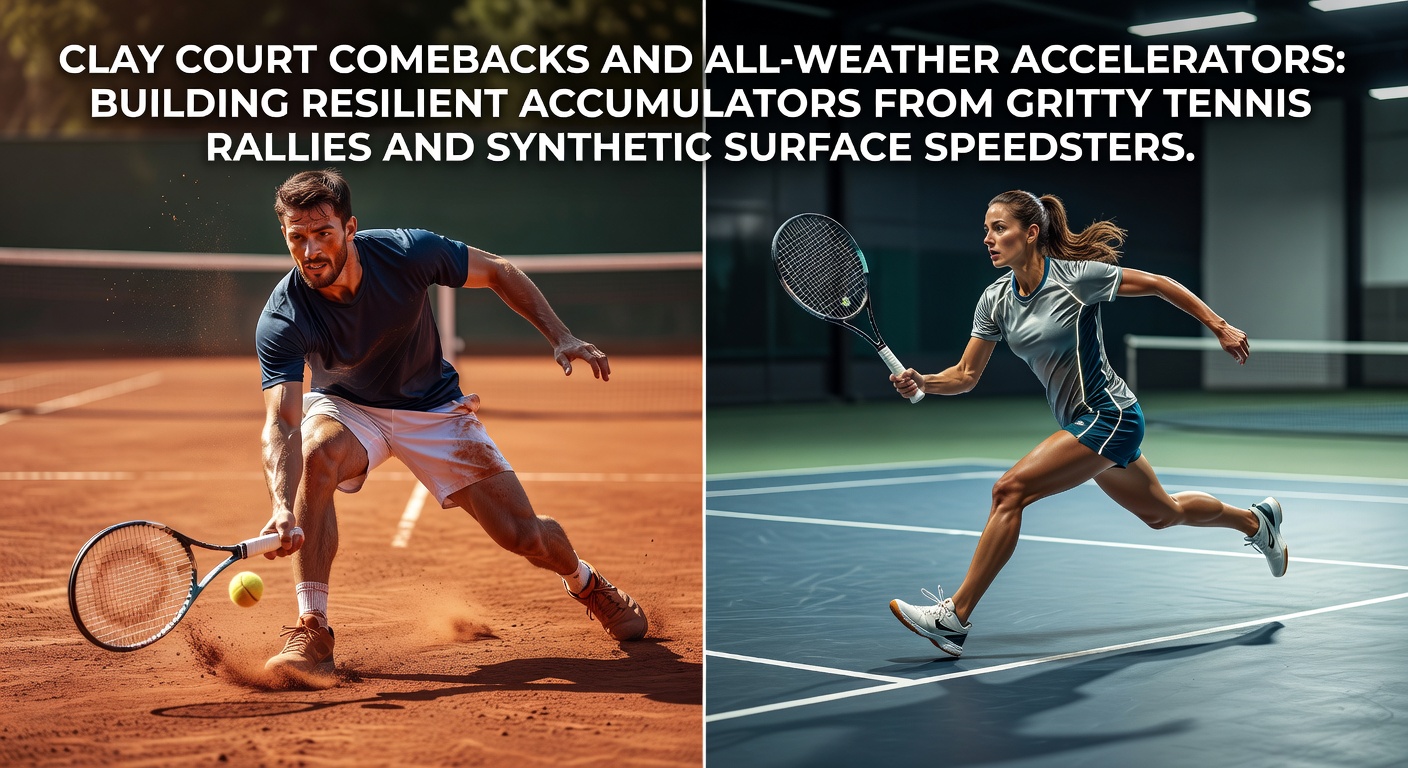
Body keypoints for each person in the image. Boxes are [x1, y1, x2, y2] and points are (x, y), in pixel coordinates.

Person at [255, 169, 648, 676]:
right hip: (350, 407)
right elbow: (282, 421)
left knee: (521, 534)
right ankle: (313, 627)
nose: (310, 251)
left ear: (350, 228)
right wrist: (281, 505)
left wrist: (561, 335)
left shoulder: (406, 253)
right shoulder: (284, 315)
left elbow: (499, 271)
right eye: (297, 238)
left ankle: (586, 582)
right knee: (316, 453)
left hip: (434, 407)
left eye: (323, 234)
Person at [886, 190, 1287, 658]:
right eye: (986, 230)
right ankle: (1256, 522)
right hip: (1083, 425)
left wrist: (1219, 326)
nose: (988, 239)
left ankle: (954, 616)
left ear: (1030, 233)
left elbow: (1158, 283)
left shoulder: (1077, 280)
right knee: (1164, 514)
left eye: (999, 228)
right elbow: (965, 375)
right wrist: (925, 383)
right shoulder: (995, 299)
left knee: (1009, 490)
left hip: (1110, 415)